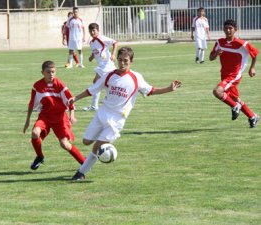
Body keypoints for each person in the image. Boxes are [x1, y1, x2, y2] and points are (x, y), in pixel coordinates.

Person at [69, 47, 182, 180]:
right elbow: (93, 89)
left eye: (126, 61)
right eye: (120, 60)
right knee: (86, 141)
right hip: (103, 112)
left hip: (117, 119)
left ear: (131, 62)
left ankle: (81, 173)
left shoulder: (136, 78)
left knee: (96, 147)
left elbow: (150, 90)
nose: (122, 63)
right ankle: (98, 153)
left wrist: (169, 89)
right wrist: (75, 98)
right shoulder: (110, 75)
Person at [23, 60, 85, 170]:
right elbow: (31, 103)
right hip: (45, 116)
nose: (51, 74)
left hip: (60, 117)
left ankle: (85, 163)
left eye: (53, 72)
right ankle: (40, 156)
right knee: (35, 133)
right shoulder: (37, 86)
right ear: (42, 72)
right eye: (48, 72)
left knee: (64, 144)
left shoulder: (59, 84)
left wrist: (72, 114)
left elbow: (70, 99)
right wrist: (27, 120)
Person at [209, 19, 259, 128]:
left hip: (234, 76)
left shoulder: (242, 44)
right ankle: (252, 116)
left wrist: (252, 68)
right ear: (223, 29)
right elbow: (210, 58)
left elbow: (255, 53)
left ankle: (234, 106)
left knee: (217, 91)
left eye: (230, 28)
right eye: (226, 28)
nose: (228, 30)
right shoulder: (219, 42)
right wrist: (216, 53)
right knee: (235, 98)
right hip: (224, 75)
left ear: (235, 30)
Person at [83, 23, 118, 111]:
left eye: (94, 30)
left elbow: (115, 43)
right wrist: (91, 57)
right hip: (102, 66)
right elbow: (95, 51)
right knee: (106, 84)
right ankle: (110, 101)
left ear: (98, 30)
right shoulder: (91, 42)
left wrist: (113, 54)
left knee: (97, 83)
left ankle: (95, 105)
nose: (92, 32)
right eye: (90, 30)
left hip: (107, 65)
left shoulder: (101, 38)